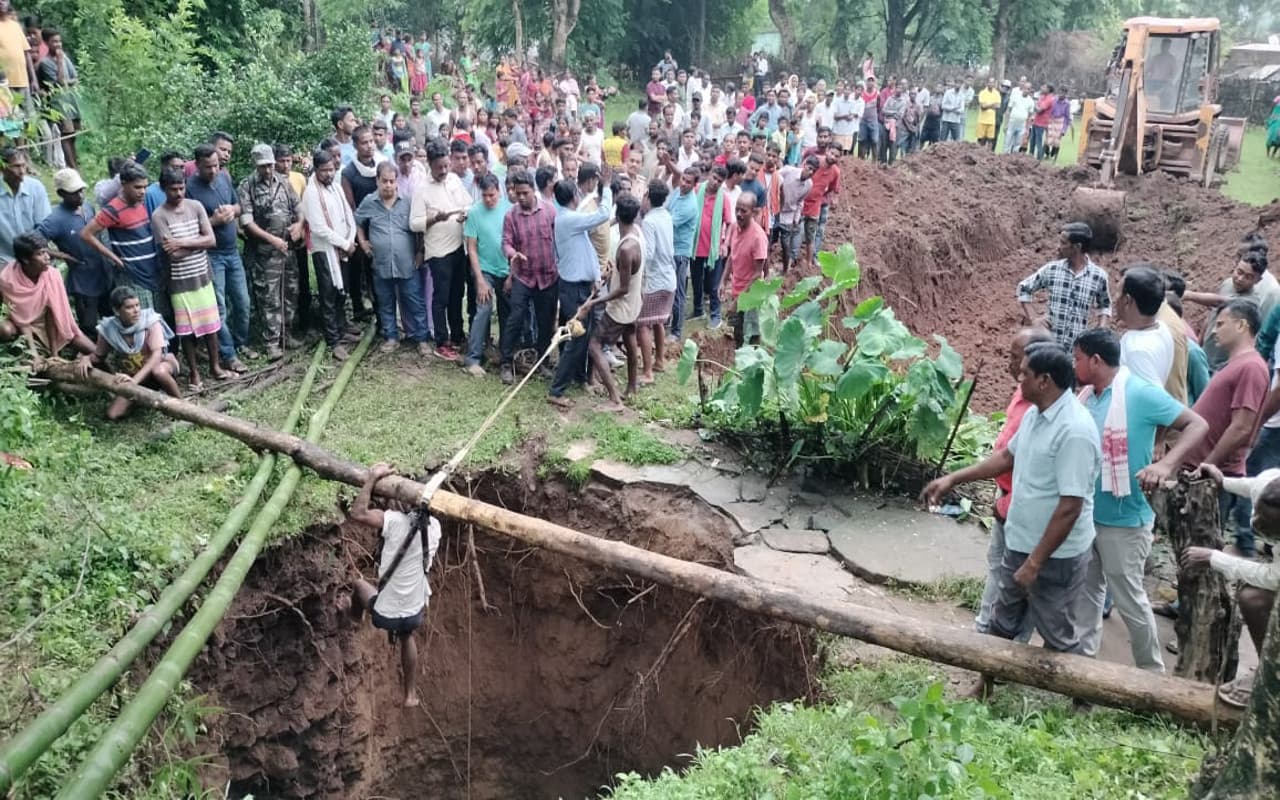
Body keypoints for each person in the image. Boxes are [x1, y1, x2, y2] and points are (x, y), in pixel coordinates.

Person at [923, 343, 1101, 698]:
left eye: (1025, 374)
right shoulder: (1037, 413)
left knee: (1057, 632)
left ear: (1044, 381)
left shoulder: (1075, 431)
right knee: (1001, 622)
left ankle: (1082, 701)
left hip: (1055, 555)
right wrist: (953, 479)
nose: (1018, 379)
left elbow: (1070, 506)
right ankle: (985, 686)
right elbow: (1007, 456)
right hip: (1021, 541)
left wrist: (1035, 563)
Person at [1071, 328, 1207, 672]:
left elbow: (1197, 424)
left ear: (1095, 361)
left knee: (1129, 600)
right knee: (1087, 594)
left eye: (1077, 359)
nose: (1074, 365)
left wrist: (1166, 464)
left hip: (1125, 519)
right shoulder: (1087, 395)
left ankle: (1150, 673)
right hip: (1088, 513)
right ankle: (1082, 670)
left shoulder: (1140, 392)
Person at [974, 327, 1055, 638]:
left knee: (1020, 577)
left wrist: (1007, 502)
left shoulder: (1042, 408)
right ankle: (985, 628)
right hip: (1007, 495)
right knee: (998, 565)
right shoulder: (1025, 392)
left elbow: (1029, 467)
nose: (1012, 366)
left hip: (1021, 503)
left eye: (1017, 359)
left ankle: (1010, 642)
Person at [345, 463, 442, 709]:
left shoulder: (393, 521)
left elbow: (358, 513)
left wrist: (372, 479)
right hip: (414, 613)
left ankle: (354, 619)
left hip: (385, 615)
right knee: (407, 634)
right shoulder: (436, 528)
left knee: (359, 585)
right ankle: (410, 694)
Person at [1182, 464, 1279, 708]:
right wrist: (1223, 481)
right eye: (1258, 513)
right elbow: (1255, 486)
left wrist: (1214, 558)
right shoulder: (1272, 483)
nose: (1256, 522)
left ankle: (1272, 677)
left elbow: (1273, 577)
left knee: (1254, 599)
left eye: (1268, 523)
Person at [1181, 299, 1270, 556]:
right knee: (1191, 544)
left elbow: (1242, 427)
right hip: (1204, 470)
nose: (1213, 331)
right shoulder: (1236, 364)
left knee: (1202, 549)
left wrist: (1207, 464)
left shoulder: (1251, 367)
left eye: (1221, 324)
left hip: (1214, 473)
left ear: (1242, 325)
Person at [150, 167, 228, 389]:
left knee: (211, 325)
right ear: (164, 189)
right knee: (186, 331)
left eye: (181, 188)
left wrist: (182, 242)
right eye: (173, 189)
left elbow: (211, 240)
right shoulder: (159, 216)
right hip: (179, 282)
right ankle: (194, 373)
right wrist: (197, 243)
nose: (178, 193)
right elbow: (172, 255)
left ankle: (215, 367)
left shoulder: (196, 206)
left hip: (202, 275)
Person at [548, 167, 612, 406]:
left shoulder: (567, 219)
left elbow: (585, 251)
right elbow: (603, 214)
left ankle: (576, 376)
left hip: (577, 286)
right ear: (575, 196)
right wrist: (606, 187)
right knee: (577, 338)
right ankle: (556, 390)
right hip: (574, 289)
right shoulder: (570, 219)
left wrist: (596, 276)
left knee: (574, 335)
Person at [187, 142, 253, 366]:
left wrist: (232, 210)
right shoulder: (189, 189)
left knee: (243, 302)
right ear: (197, 165)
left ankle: (241, 343)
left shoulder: (224, 178)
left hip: (232, 251)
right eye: (208, 167)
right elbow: (189, 227)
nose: (214, 170)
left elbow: (239, 205)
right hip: (211, 256)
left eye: (216, 165)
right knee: (220, 306)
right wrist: (214, 221)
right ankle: (228, 354)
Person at [356, 162, 431, 357]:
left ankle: (422, 339)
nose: (388, 185)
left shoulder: (408, 202)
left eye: (391, 181)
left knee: (415, 301)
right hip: (380, 264)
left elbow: (419, 229)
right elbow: (357, 221)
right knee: (385, 302)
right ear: (377, 181)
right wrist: (362, 241)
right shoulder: (369, 202)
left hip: (407, 264)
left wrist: (420, 252)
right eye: (384, 181)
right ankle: (391, 337)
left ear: (397, 182)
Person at [75, 285, 182, 418]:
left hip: (161, 368)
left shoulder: (151, 321)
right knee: (113, 414)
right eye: (129, 307)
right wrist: (86, 358)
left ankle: (181, 406)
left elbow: (156, 356)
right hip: (135, 376)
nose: (136, 310)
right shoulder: (108, 328)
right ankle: (144, 399)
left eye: (137, 305)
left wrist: (134, 381)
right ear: (116, 310)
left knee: (159, 371)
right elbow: (99, 355)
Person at [580, 192, 645, 411]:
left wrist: (594, 302)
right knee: (630, 340)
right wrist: (611, 273)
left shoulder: (626, 249)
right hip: (634, 304)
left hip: (621, 308)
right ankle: (632, 387)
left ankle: (615, 399)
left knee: (594, 346)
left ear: (617, 215)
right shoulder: (637, 233)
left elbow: (622, 288)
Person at [239, 143, 303, 360]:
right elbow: (247, 223)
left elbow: (298, 207)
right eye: (263, 166)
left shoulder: (283, 182)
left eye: (270, 165)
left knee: (291, 291)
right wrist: (272, 240)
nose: (268, 170)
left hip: (287, 248)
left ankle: (287, 333)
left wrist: (299, 224)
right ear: (255, 165)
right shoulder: (247, 187)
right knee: (269, 297)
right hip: (264, 252)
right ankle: (271, 342)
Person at [411, 139, 473, 361]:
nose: (444, 170)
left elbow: (468, 203)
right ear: (429, 164)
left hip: (458, 247)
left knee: (457, 294)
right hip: (438, 252)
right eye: (440, 167)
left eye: (447, 165)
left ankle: (457, 335)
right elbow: (414, 223)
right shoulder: (422, 189)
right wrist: (434, 218)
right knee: (441, 298)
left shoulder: (454, 180)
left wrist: (465, 213)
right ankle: (441, 341)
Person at [81, 162, 166, 318]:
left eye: (145, 187)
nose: (142, 191)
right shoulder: (113, 209)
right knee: (142, 320)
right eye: (137, 187)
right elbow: (86, 234)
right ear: (124, 184)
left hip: (151, 271)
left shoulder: (142, 203)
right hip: (132, 275)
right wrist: (113, 257)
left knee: (158, 318)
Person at [0, 229, 94, 367]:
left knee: (94, 351)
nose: (47, 257)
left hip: (50, 322)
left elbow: (52, 312)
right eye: (40, 254)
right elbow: (22, 320)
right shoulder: (8, 280)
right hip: (21, 325)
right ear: (25, 259)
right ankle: (19, 352)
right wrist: (34, 355)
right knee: (5, 330)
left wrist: (54, 355)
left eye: (46, 251)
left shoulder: (52, 275)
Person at [499, 168, 558, 386]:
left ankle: (543, 361)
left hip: (548, 276)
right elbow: (506, 242)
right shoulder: (511, 216)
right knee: (515, 318)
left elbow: (559, 239)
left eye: (525, 193)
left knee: (546, 321)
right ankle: (506, 363)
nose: (521, 197)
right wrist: (512, 253)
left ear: (533, 190)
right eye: (518, 193)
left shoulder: (550, 211)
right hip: (523, 277)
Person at [301, 149, 359, 361]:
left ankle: (342, 328)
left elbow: (348, 215)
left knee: (342, 291)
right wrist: (344, 243)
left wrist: (350, 239)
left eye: (332, 169)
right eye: (324, 170)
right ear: (316, 170)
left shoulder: (336, 187)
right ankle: (333, 340)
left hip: (343, 247)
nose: (329, 174)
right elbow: (318, 227)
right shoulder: (311, 193)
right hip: (325, 250)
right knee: (328, 294)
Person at [1016, 222, 1110, 349]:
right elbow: (1023, 289)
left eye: (1063, 243)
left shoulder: (1098, 276)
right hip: (1050, 347)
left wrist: (1101, 330)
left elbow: (1105, 305)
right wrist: (1034, 318)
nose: (1058, 247)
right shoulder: (1052, 269)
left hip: (1077, 350)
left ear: (1077, 247)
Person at [37, 168, 107, 337]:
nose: (80, 196)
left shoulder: (87, 207)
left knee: (109, 314)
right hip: (82, 278)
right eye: (74, 193)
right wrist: (59, 255)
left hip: (102, 271)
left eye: (81, 191)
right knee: (89, 324)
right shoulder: (55, 219)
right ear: (61, 193)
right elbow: (34, 242)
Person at [1187, 249, 1280, 372]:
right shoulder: (1227, 284)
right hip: (1204, 354)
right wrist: (1199, 342)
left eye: (1248, 277)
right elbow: (1213, 314)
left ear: (1258, 280)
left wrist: (1189, 295)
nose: (1240, 278)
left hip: (1220, 366)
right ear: (1235, 266)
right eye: (1239, 272)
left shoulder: (1251, 302)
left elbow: (1218, 302)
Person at [462, 174, 511, 376]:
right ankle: (473, 357)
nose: (489, 199)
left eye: (492, 195)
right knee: (484, 308)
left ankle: (506, 354)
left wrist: (512, 274)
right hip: (485, 269)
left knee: (507, 311)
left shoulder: (509, 209)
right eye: (485, 196)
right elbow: (472, 248)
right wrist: (480, 280)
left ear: (499, 191)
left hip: (506, 269)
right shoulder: (474, 212)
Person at [633, 180, 675, 387]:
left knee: (643, 324)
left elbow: (648, 254)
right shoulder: (666, 215)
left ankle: (647, 371)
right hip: (669, 277)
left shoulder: (649, 221)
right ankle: (659, 360)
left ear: (648, 197)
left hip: (655, 279)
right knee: (658, 321)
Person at [1115, 265, 1175, 387]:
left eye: (1117, 293)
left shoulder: (1136, 351)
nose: (1114, 299)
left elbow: (1152, 396)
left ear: (1127, 300)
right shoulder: (1161, 328)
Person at [723, 193, 767, 348]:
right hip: (737, 288)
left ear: (753, 212)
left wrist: (737, 302)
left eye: (743, 211)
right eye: (737, 209)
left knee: (753, 334)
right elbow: (732, 256)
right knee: (737, 331)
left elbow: (757, 274)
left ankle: (753, 358)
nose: (739, 214)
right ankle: (739, 356)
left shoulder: (758, 237)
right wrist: (723, 280)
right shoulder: (735, 227)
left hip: (752, 294)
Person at [690, 164, 730, 329]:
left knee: (714, 285)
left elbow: (730, 223)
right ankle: (698, 310)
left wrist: (725, 244)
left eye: (719, 181)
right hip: (695, 246)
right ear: (710, 175)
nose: (715, 182)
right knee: (696, 281)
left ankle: (715, 315)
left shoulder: (724, 198)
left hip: (713, 249)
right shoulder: (696, 190)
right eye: (714, 178)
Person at [665, 167, 699, 343]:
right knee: (668, 288)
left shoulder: (690, 205)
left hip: (680, 252)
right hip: (670, 248)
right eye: (683, 179)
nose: (683, 183)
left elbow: (668, 222)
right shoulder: (677, 192)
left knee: (678, 291)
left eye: (688, 182)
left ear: (694, 185)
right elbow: (666, 209)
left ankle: (676, 331)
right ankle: (667, 320)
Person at [0, 146, 49, 261]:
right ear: (2, 168)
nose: (22, 171)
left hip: (34, 257)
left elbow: (44, 226)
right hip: (4, 258)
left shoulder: (36, 187)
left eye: (23, 165)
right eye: (16, 166)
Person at [776, 156, 815, 272]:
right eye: (809, 168)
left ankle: (785, 270)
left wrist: (796, 218)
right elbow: (774, 178)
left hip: (789, 214)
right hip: (775, 210)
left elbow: (800, 201)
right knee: (771, 240)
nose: (811, 172)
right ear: (804, 165)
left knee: (785, 244)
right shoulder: (788, 171)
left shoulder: (809, 184)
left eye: (814, 171)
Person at [800, 150, 840, 264]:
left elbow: (832, 188)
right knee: (798, 231)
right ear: (827, 151)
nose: (833, 157)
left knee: (814, 232)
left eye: (836, 156)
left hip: (817, 204)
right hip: (802, 202)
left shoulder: (835, 172)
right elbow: (801, 174)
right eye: (832, 153)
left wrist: (822, 195)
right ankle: (793, 258)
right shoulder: (814, 160)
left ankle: (811, 260)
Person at [1003, 79, 1033, 154]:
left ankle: (1014, 158)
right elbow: (1008, 110)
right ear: (1023, 88)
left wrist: (1027, 129)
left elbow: (1029, 116)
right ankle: (1004, 156)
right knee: (1007, 142)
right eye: (1025, 88)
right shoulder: (1015, 97)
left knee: (1017, 144)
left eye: (1028, 89)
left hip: (1022, 124)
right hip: (1012, 122)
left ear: (1030, 90)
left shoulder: (1031, 101)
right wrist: (1006, 124)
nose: (1026, 90)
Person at [1030, 85, 1055, 160]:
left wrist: (1033, 102)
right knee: (1032, 141)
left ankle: (1039, 159)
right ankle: (1030, 158)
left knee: (1038, 142)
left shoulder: (1049, 99)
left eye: (1044, 87)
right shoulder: (1042, 97)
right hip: (1036, 121)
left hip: (1041, 124)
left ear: (1048, 89)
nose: (1042, 88)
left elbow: (1039, 110)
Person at [976, 77, 1000, 149]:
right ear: (987, 83)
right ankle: (978, 153)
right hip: (982, 120)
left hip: (991, 121)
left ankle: (988, 153)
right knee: (980, 140)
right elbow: (982, 107)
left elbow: (998, 106)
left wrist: (987, 105)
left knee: (990, 140)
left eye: (993, 82)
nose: (991, 84)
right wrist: (992, 105)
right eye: (990, 82)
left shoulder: (997, 93)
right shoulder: (982, 93)